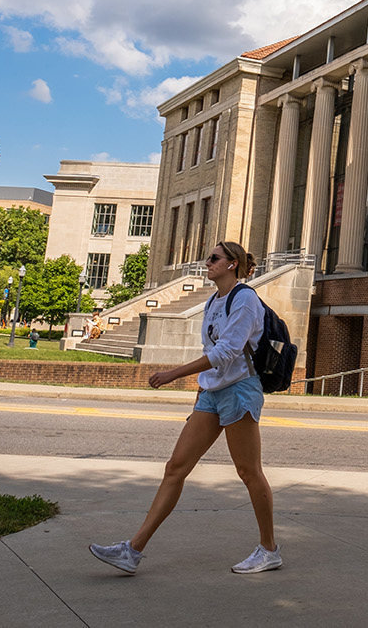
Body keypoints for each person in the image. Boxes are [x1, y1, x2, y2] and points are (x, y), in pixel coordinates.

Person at [89, 241, 280, 575]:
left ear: (232, 264)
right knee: (175, 467)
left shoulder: (245, 298)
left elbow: (227, 352)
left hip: (239, 390)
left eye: (214, 258)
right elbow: (211, 350)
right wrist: (200, 396)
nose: (207, 263)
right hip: (212, 392)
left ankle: (269, 549)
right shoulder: (213, 300)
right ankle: (132, 551)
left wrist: (172, 374)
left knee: (249, 471)